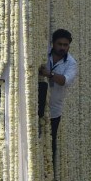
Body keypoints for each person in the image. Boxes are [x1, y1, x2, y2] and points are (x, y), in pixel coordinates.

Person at [38, 29, 78, 158]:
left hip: (54, 109)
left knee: (50, 141)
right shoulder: (43, 53)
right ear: (53, 43)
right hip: (36, 105)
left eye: (65, 45)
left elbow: (65, 81)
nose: (62, 47)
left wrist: (49, 74)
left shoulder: (71, 63)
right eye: (59, 44)